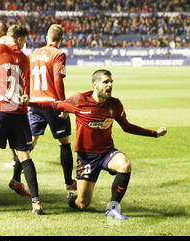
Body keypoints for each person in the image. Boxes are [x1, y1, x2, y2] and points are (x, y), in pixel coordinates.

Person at [30, 69, 167, 220]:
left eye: (111, 82)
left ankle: (113, 208)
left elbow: (127, 127)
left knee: (125, 165)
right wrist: (28, 103)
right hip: (87, 157)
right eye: (105, 82)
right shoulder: (79, 100)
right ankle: (71, 199)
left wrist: (154, 134)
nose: (110, 85)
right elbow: (53, 105)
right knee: (83, 204)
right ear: (95, 84)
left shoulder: (115, 105)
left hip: (107, 153)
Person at [0, 24, 44, 215]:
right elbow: (27, 91)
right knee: (24, 156)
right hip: (19, 112)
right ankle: (36, 203)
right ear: (21, 38)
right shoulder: (25, 59)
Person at [25, 24, 76, 192]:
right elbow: (57, 80)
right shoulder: (58, 54)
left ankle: (16, 178)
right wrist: (62, 104)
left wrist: (28, 99)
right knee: (64, 142)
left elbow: (27, 78)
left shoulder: (33, 55)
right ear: (61, 39)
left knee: (29, 142)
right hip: (51, 104)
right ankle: (69, 182)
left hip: (34, 103)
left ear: (47, 37)